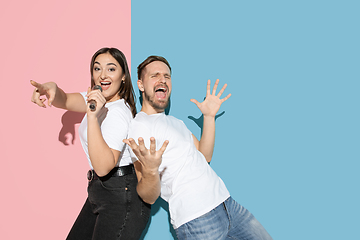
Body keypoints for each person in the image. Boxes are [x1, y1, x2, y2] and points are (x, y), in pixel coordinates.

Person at [123, 56, 273, 240]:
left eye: (167, 76)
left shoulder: (175, 122)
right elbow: (148, 196)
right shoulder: (140, 126)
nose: (163, 80)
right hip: (197, 220)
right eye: (155, 75)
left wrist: (209, 117)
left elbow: (205, 155)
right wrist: (151, 170)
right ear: (141, 84)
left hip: (227, 205)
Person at [30, 47, 151, 240]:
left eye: (111, 69)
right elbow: (67, 99)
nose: (103, 75)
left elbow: (103, 167)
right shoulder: (98, 100)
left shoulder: (118, 112)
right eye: (97, 69)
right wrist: (52, 88)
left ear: (123, 77)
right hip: (101, 191)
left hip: (122, 195)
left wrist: (93, 117)